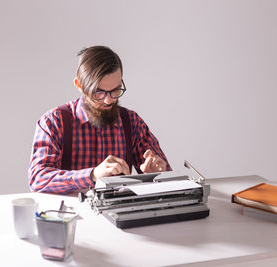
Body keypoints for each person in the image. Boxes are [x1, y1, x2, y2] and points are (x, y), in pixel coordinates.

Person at [28, 46, 172, 193]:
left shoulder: (132, 122)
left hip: (119, 214)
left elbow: (166, 180)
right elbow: (38, 179)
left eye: (116, 90)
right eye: (99, 92)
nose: (108, 100)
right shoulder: (53, 122)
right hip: (70, 214)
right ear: (79, 85)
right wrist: (92, 175)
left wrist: (159, 173)